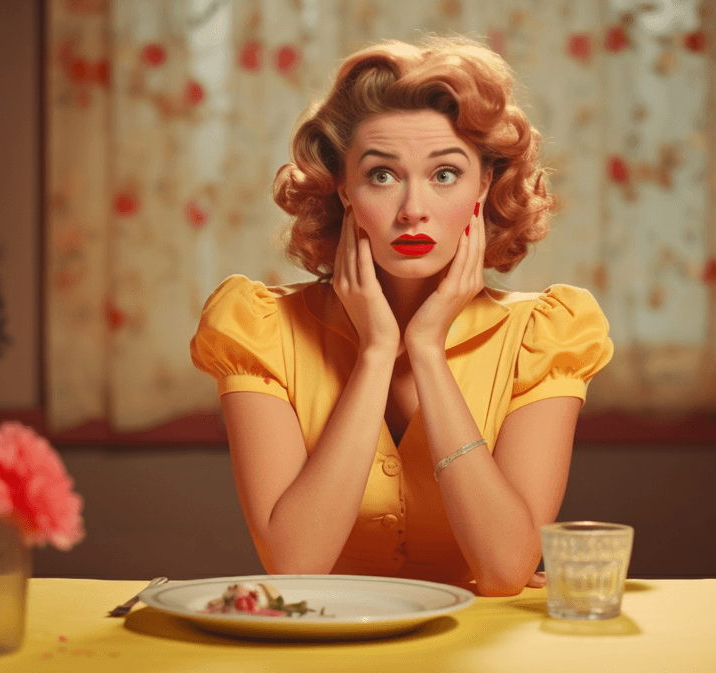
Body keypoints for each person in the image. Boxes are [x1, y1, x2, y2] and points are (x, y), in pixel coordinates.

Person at [190, 36, 613, 596]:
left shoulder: (547, 336)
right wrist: (373, 351)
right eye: (382, 175)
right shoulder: (259, 329)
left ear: (483, 186)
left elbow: (506, 568)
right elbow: (294, 565)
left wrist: (429, 350)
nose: (413, 209)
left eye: (444, 175)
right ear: (344, 187)